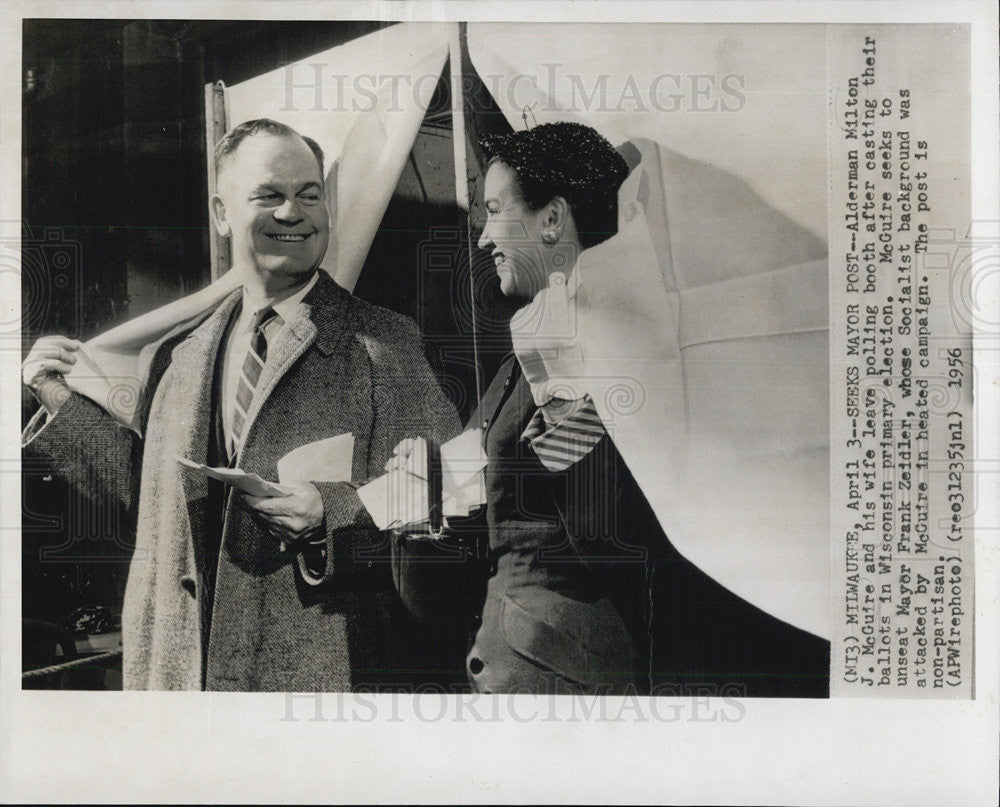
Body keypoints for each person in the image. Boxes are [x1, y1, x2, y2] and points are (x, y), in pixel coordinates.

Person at [22, 118, 459, 691]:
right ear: (222, 213)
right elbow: (149, 501)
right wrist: (55, 397)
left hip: (312, 681)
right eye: (269, 196)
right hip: (183, 675)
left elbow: (445, 502)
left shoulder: (384, 346)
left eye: (308, 195)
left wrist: (330, 512)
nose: (292, 213)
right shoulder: (180, 354)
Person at [465, 122, 830, 696]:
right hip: (525, 663)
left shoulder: (623, 342)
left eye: (495, 210)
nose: (485, 236)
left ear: (552, 218)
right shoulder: (528, 352)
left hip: (570, 674)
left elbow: (617, 539)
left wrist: (563, 404)